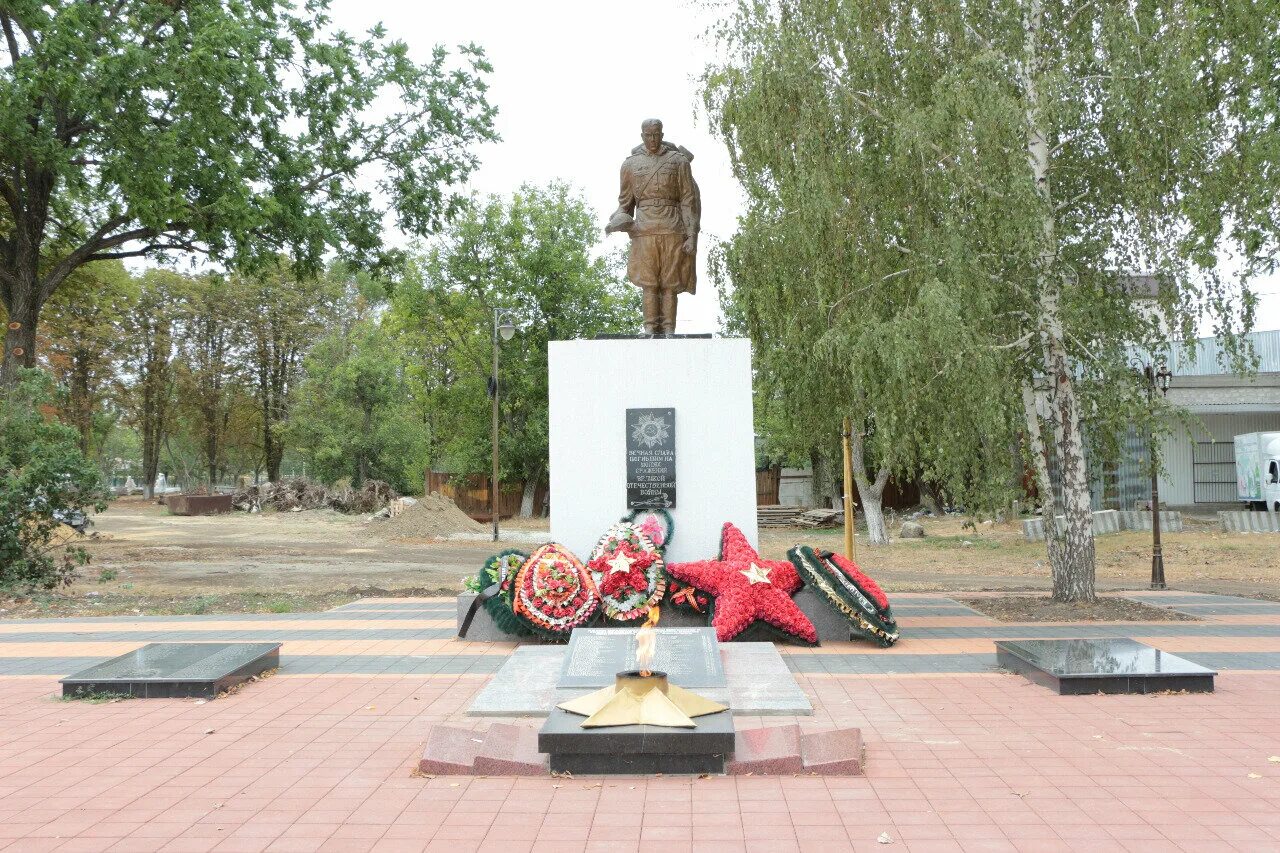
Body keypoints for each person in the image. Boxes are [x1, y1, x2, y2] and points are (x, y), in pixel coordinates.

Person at [606, 118, 701, 337]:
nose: (653, 139)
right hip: (644, 229)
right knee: (649, 282)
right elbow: (625, 204)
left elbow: (688, 200)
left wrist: (691, 235)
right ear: (642, 136)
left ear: (662, 134)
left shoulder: (678, 162)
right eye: (648, 135)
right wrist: (618, 221)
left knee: (670, 282)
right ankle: (649, 328)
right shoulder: (629, 165)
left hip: (672, 228)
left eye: (656, 135)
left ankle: (668, 328)